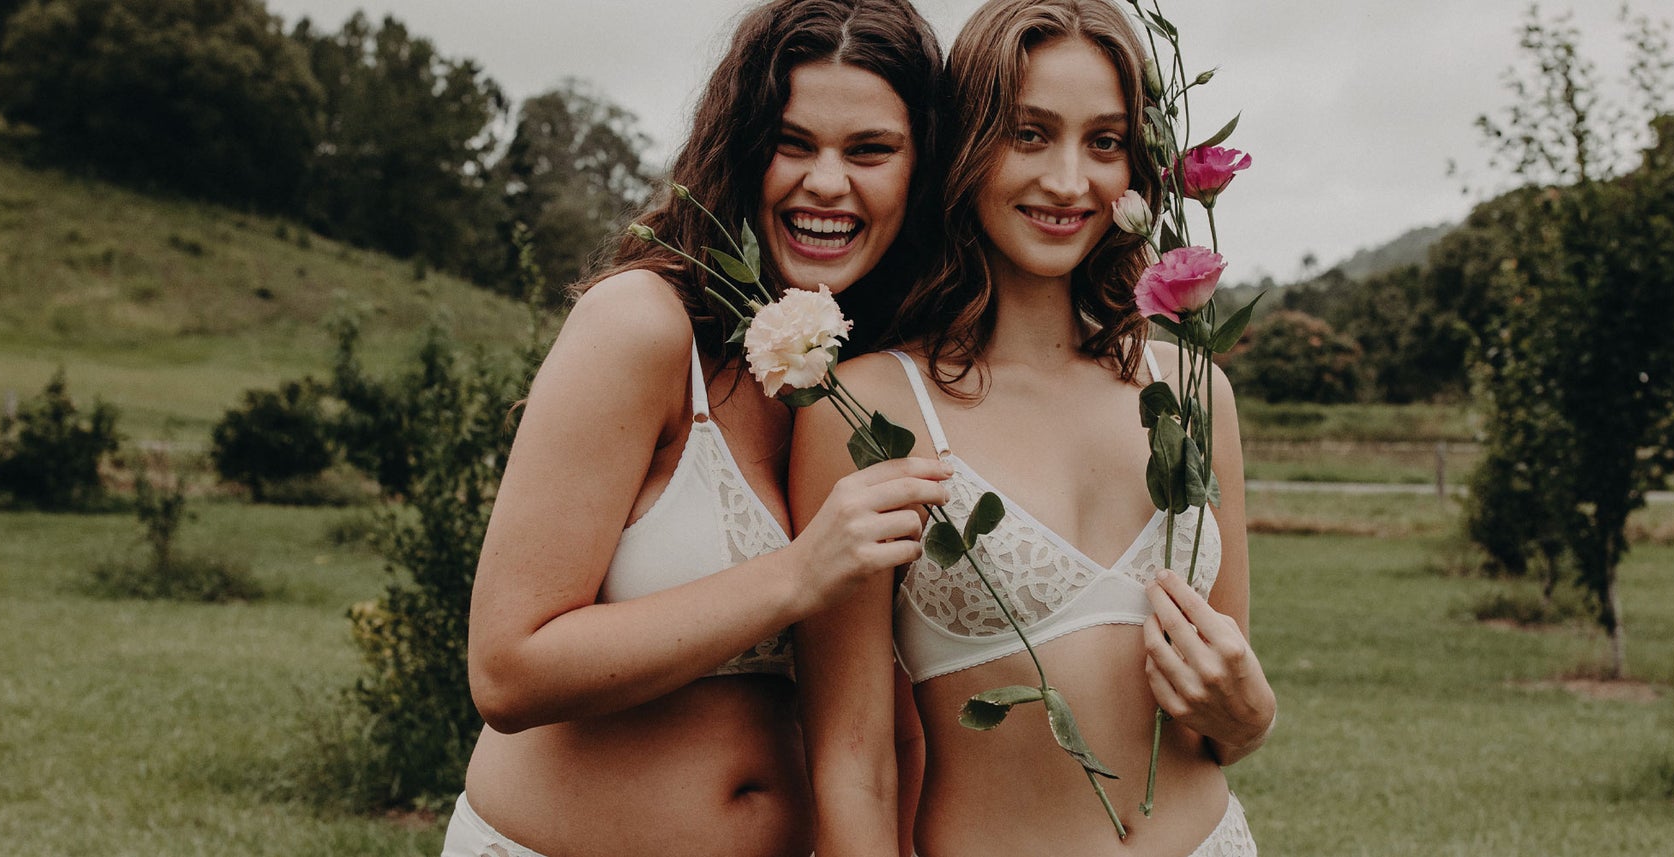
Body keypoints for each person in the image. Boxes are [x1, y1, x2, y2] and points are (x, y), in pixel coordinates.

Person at [447, 2, 950, 855]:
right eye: (794, 143)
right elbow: (507, 669)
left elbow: (893, 726)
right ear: (741, 147)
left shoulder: (891, 383)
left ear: (922, 169)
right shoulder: (642, 328)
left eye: (869, 150)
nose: (827, 183)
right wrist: (797, 574)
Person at [791, 0, 1278, 855]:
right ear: (969, 143)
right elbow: (854, 762)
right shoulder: (871, 407)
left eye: (1105, 141)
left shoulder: (1193, 386)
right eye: (1030, 133)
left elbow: (1220, 716)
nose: (1069, 180)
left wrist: (1253, 714)